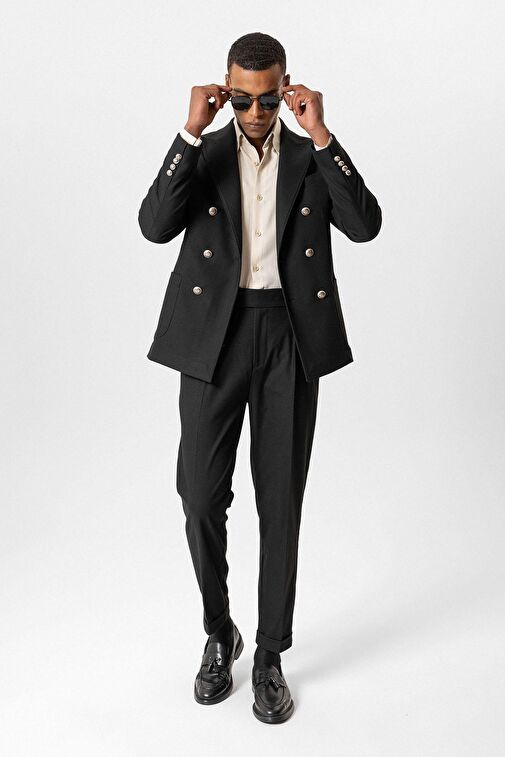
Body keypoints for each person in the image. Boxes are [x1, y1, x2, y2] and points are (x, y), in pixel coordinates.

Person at [138, 31, 382, 724]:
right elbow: (154, 226)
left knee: (280, 503)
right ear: (225, 91)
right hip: (210, 339)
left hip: (288, 337)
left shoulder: (309, 156)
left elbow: (364, 225)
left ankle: (270, 654)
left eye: (267, 100)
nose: (253, 113)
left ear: (285, 90)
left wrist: (322, 133)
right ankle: (221, 632)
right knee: (198, 494)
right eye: (241, 100)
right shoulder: (204, 153)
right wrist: (189, 131)